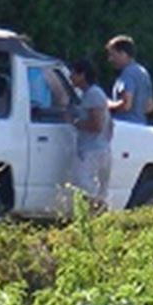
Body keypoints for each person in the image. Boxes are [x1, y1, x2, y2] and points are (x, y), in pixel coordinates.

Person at [68, 58, 112, 205]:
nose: (70, 77)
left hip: (91, 152)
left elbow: (97, 124)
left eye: (73, 73)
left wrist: (74, 122)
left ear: (83, 75)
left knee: (86, 191)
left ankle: (90, 221)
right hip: (100, 149)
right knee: (97, 193)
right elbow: (110, 125)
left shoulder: (93, 94)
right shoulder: (90, 94)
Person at [106, 35, 153, 125]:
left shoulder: (128, 73)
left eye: (113, 55)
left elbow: (126, 105)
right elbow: (149, 106)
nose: (110, 59)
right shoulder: (143, 73)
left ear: (123, 54)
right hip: (141, 126)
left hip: (125, 126)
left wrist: (108, 104)